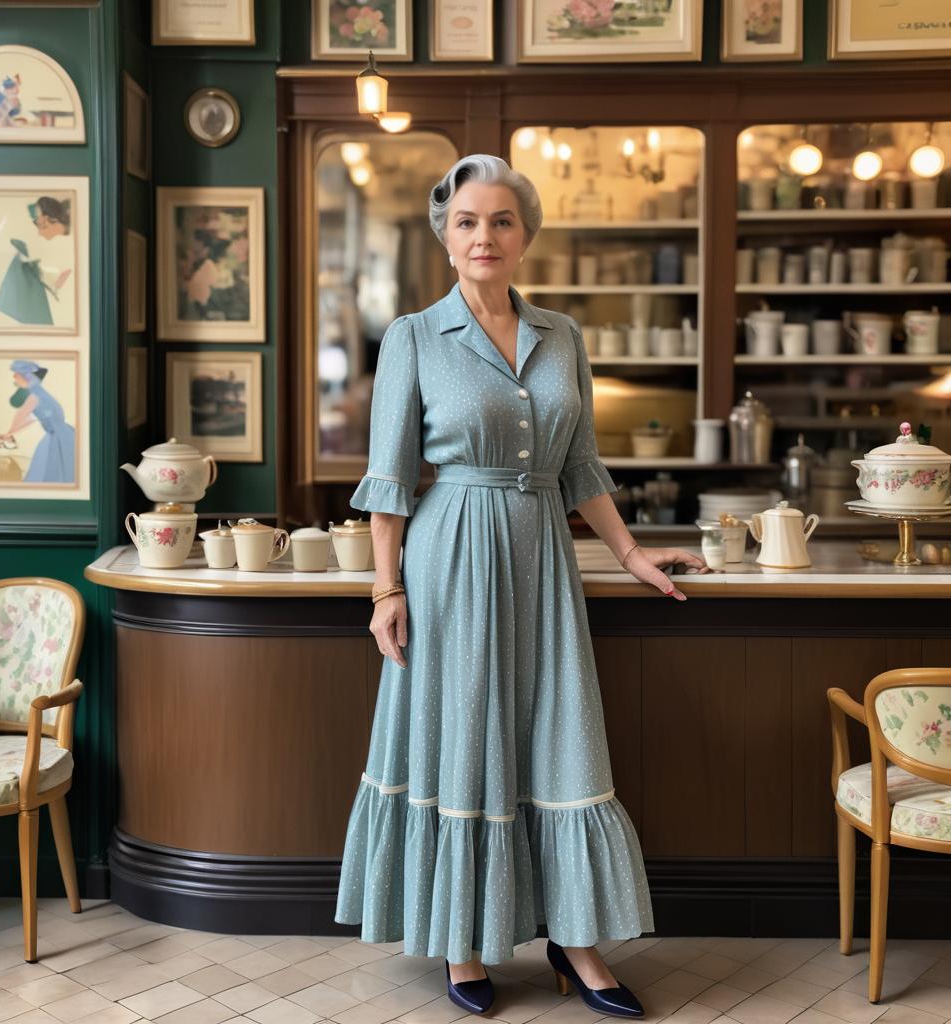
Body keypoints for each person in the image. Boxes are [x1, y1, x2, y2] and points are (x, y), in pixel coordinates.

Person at [334, 153, 708, 1018]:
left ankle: (575, 942)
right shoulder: (415, 338)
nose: (484, 236)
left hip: (543, 555)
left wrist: (635, 556)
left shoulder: (561, 335)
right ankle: (463, 941)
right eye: (467, 221)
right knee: (465, 736)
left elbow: (581, 466)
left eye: (501, 220)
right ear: (445, 236)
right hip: (453, 555)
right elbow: (388, 480)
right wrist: (385, 592)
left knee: (556, 736)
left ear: (526, 235)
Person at [0, 196, 73, 326]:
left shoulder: (63, 241)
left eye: (37, 218)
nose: (36, 222)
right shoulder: (48, 240)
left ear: (47, 219)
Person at [2, 359, 75, 484]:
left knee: (49, 472)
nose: (15, 378)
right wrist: (11, 432)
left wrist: (10, 432)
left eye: (17, 375)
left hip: (58, 437)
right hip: (65, 434)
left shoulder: (34, 397)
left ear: (26, 377)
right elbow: (32, 418)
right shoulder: (40, 393)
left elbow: (21, 416)